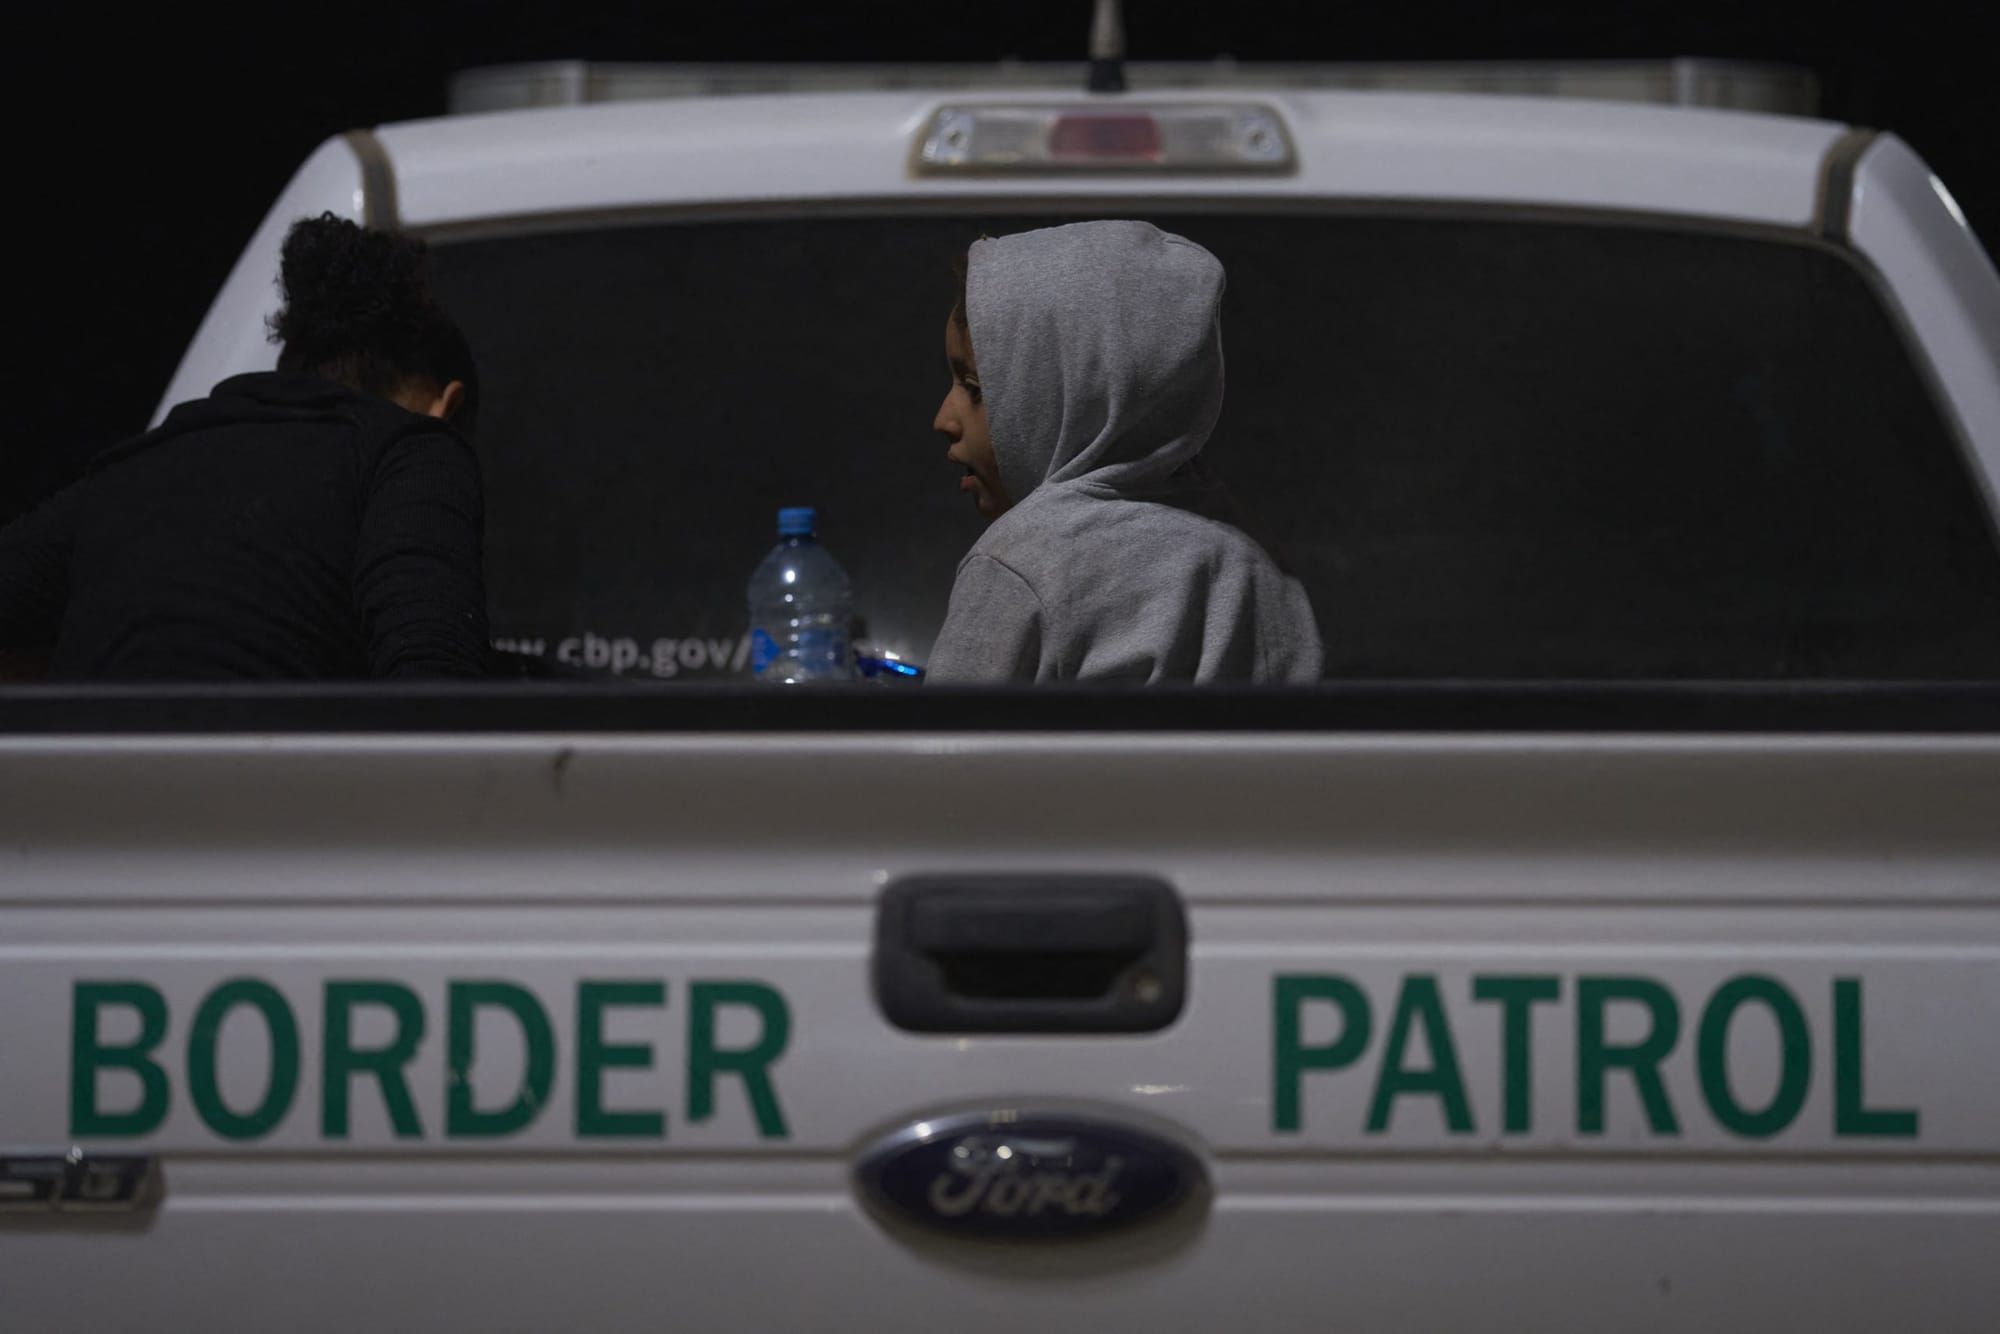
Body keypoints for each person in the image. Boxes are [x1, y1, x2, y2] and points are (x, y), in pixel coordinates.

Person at [0, 213, 489, 681]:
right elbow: (437, 690)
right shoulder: (412, 450)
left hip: (83, 767)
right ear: (445, 404)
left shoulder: (132, 468)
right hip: (278, 768)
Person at [926, 219, 1322, 684]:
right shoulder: (1254, 561)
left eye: (973, 386)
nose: (943, 419)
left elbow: (943, 753)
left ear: (1070, 391)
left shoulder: (1021, 564)